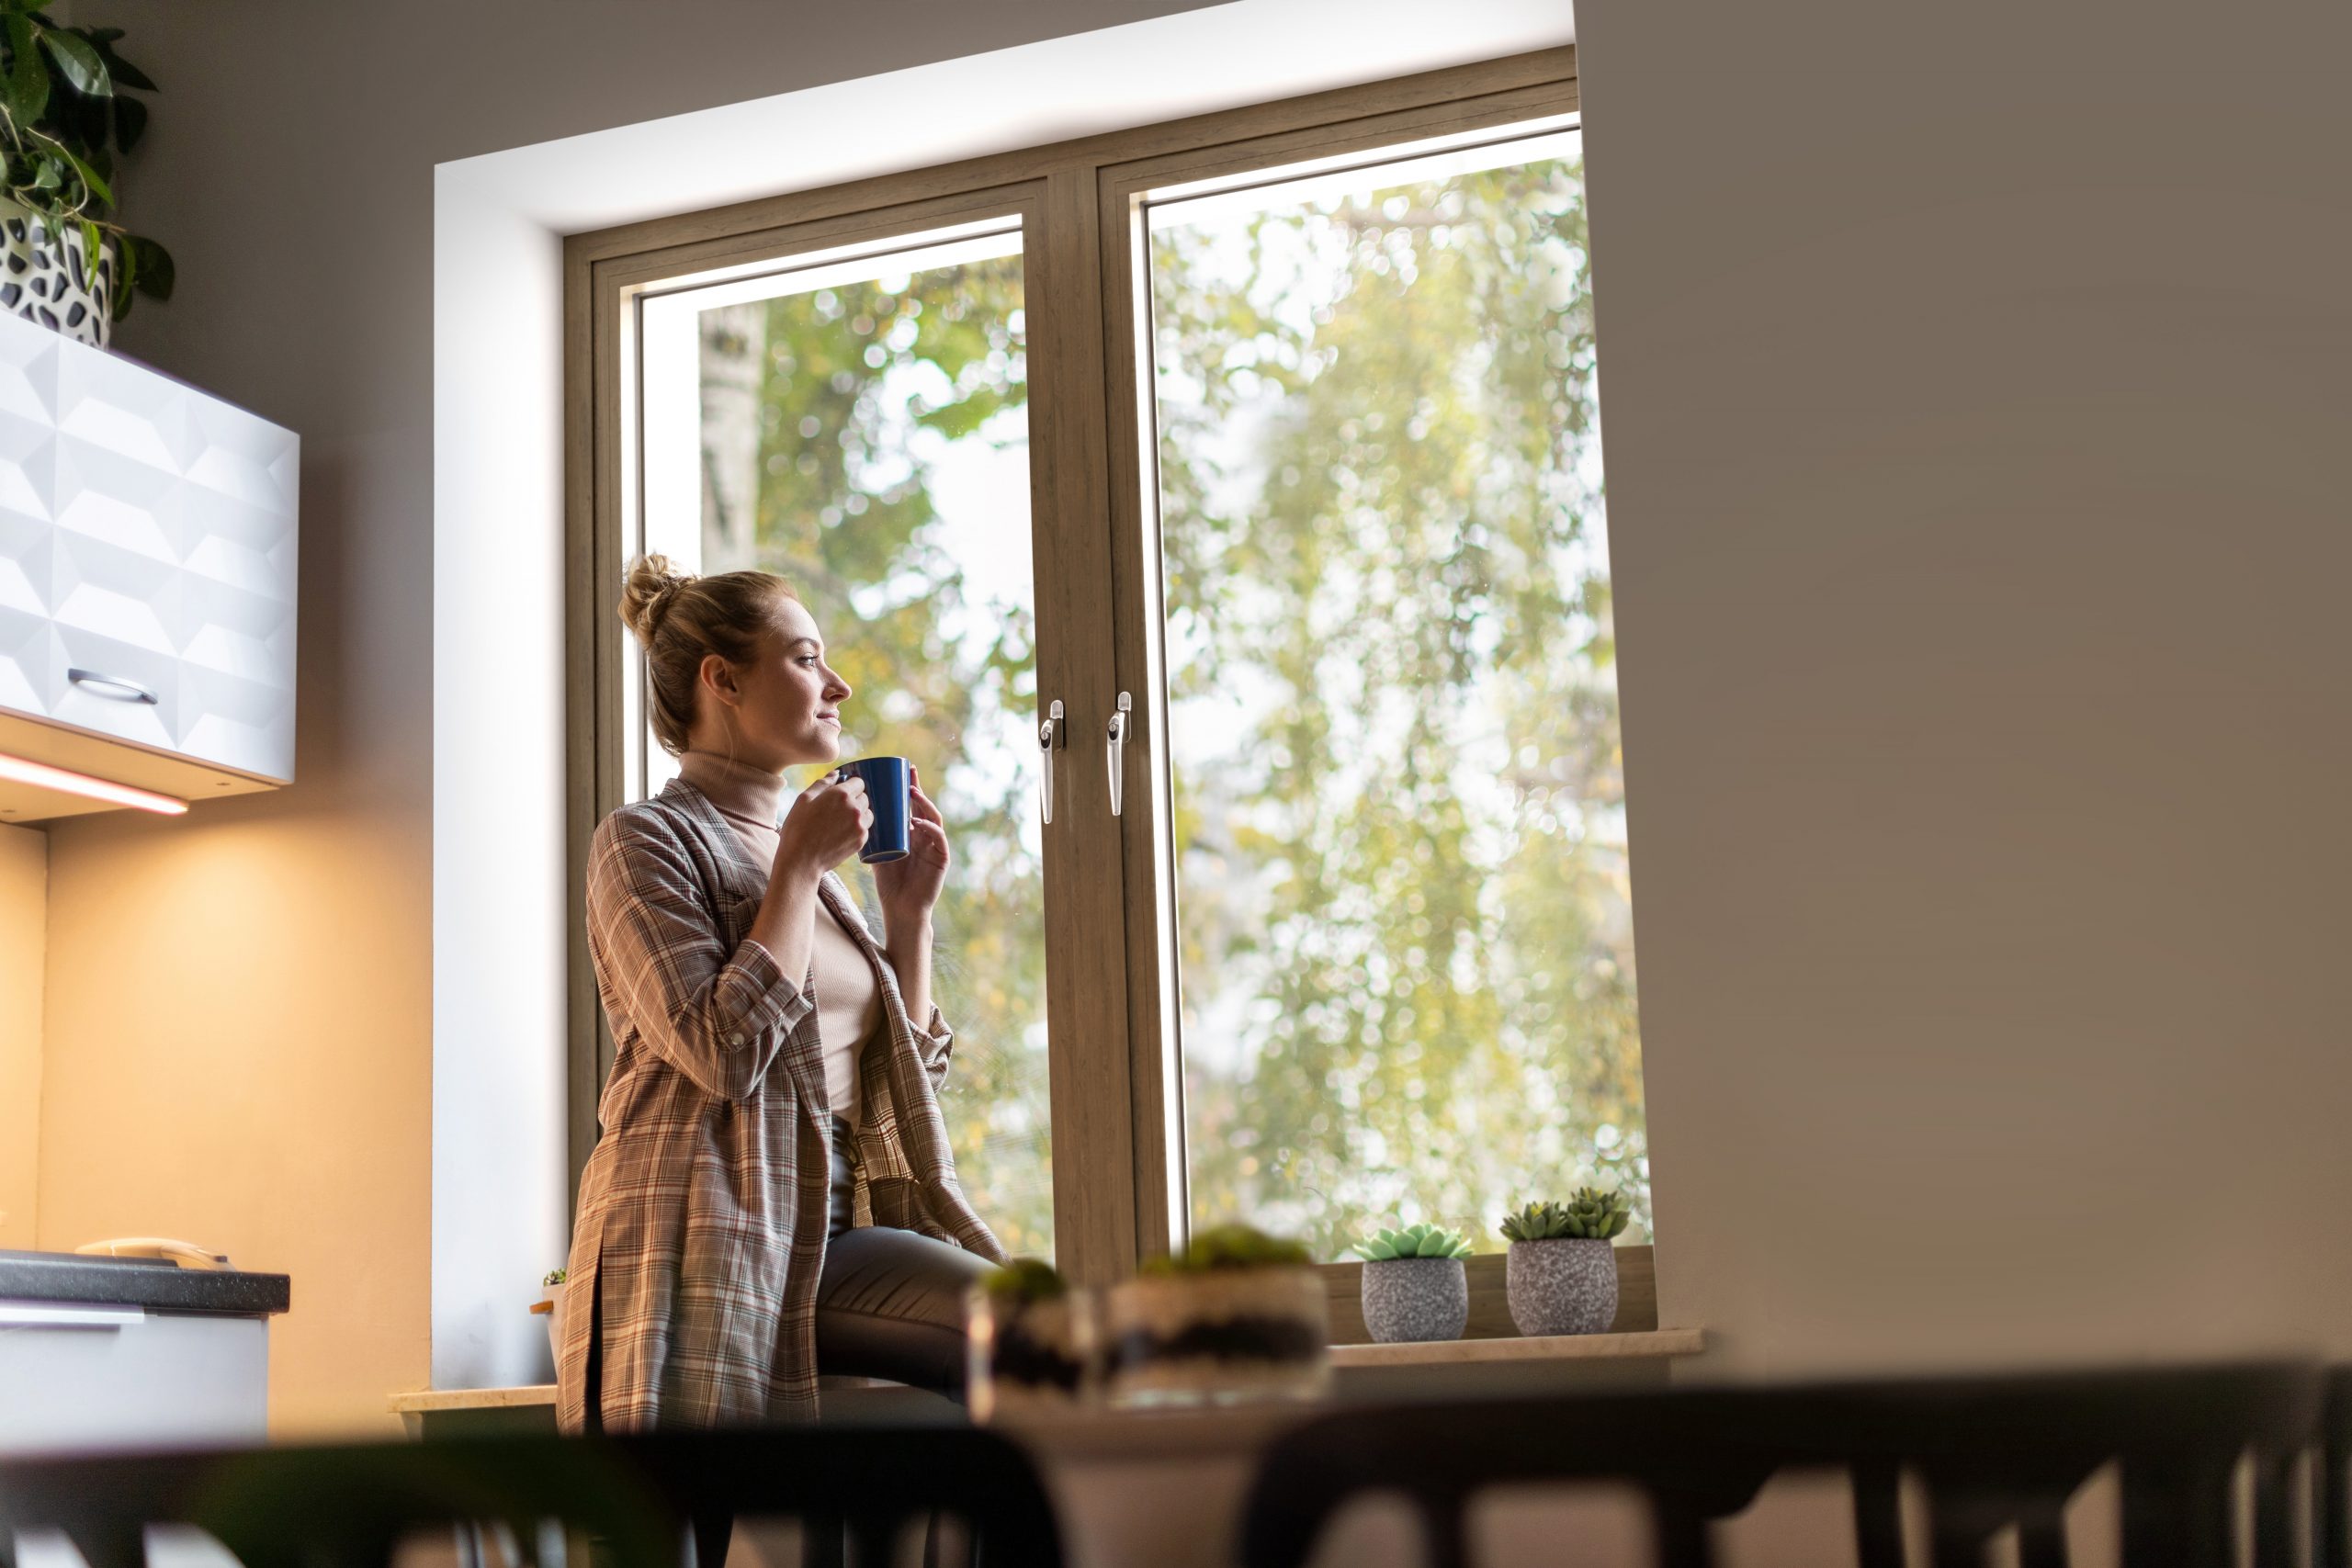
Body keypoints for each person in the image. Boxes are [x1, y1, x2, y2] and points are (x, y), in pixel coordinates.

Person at [556, 553, 1007, 1438]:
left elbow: (893, 1085)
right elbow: (719, 1052)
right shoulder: (645, 841)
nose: (837, 684)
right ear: (722, 680)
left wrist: (906, 920)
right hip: (698, 1239)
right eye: (806, 659)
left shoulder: (819, 870)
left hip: (827, 1231)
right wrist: (797, 868)